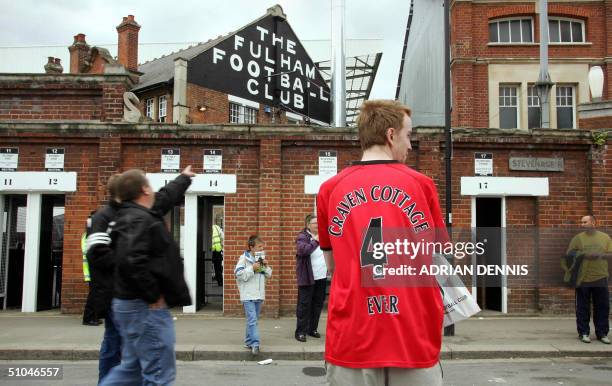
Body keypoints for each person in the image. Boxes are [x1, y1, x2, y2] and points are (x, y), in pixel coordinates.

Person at [316, 100, 448, 385]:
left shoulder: (330, 190)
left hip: (352, 337)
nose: (410, 146)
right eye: (408, 135)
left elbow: (333, 265)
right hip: (413, 337)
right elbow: (438, 262)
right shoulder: (422, 186)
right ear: (391, 135)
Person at [88, 169, 193, 383]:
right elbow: (106, 256)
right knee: (132, 357)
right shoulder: (115, 217)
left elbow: (164, 197)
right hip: (130, 297)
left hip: (128, 295)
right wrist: (151, 291)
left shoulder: (139, 211)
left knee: (132, 366)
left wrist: (183, 178)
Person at [566, 214, 611, 344]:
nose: (582, 224)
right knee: (582, 307)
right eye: (582, 222)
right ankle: (584, 332)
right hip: (582, 278)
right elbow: (569, 254)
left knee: (602, 307)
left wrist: (599, 255)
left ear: (593, 223)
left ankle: (602, 333)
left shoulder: (605, 238)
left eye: (585, 222)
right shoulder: (578, 238)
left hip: (601, 277)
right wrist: (583, 255)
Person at [234, 235, 272, 356]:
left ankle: (248, 341)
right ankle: (255, 344)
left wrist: (265, 267)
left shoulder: (260, 259)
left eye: (262, 247)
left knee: (252, 320)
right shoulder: (243, 259)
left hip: (259, 294)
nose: (262, 249)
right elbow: (238, 274)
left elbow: (269, 275)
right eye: (259, 247)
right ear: (251, 247)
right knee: (253, 320)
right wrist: (252, 268)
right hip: (248, 294)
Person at [294, 214, 327, 342]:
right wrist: (316, 240)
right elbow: (303, 251)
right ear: (308, 225)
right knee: (304, 305)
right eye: (315, 223)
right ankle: (300, 332)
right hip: (307, 277)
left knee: (317, 304)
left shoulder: (324, 236)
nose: (318, 225)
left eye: (319, 223)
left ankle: (312, 329)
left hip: (322, 276)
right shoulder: (303, 237)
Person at [82, 215, 100, 326]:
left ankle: (93, 316)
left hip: (91, 270)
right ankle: (88, 318)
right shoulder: (89, 237)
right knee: (93, 296)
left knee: (94, 295)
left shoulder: (88, 235)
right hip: (91, 270)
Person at [211, 218, 224, 286]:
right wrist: (222, 246)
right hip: (217, 251)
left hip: (211, 251)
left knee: (216, 267)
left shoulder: (215, 227)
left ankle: (218, 281)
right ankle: (220, 282)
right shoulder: (217, 227)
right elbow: (222, 237)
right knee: (218, 268)